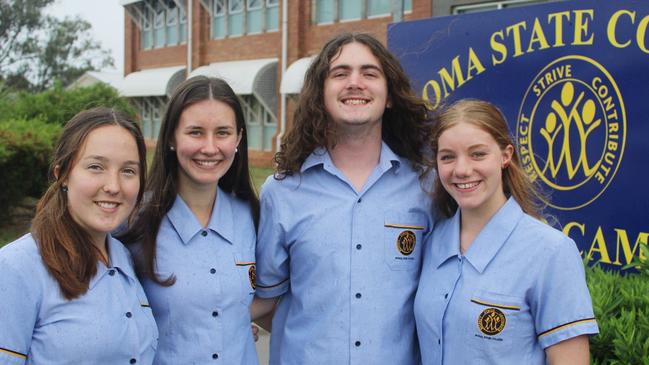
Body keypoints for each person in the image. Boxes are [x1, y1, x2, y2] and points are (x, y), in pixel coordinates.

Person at [255, 32, 435, 364]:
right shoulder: (281, 193)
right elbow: (265, 302)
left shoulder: (427, 188)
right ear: (320, 94)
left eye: (369, 73)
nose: (355, 83)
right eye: (340, 74)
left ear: (390, 95)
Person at [414, 99, 599, 364]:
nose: (462, 170)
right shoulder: (432, 243)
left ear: (505, 155)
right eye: (448, 157)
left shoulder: (551, 252)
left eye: (478, 154)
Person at [119, 76, 262, 364]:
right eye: (195, 132)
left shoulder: (254, 216)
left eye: (222, 132)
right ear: (171, 137)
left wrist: (231, 321)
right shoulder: (132, 221)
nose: (210, 148)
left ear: (239, 138)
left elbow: (269, 295)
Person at [0, 108, 156, 364]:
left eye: (128, 171)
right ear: (62, 174)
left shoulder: (124, 257)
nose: (114, 186)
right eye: (96, 167)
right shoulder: (16, 268)